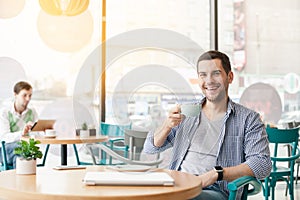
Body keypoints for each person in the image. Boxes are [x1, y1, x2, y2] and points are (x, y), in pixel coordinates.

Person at [143, 50, 271, 199]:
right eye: (203, 75)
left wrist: (217, 174)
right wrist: (166, 126)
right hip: (178, 183)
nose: (209, 81)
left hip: (215, 189)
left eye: (216, 73)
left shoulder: (248, 119)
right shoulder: (187, 112)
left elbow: (262, 164)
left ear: (229, 77)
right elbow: (150, 147)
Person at [0, 81, 38, 168]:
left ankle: (20, 178)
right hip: (4, 150)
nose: (28, 99)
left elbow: (38, 133)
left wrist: (35, 130)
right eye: (24, 95)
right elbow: (4, 137)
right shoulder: (5, 112)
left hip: (24, 149)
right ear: (15, 95)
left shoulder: (32, 112)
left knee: (23, 152)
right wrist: (22, 134)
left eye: (30, 95)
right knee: (22, 148)